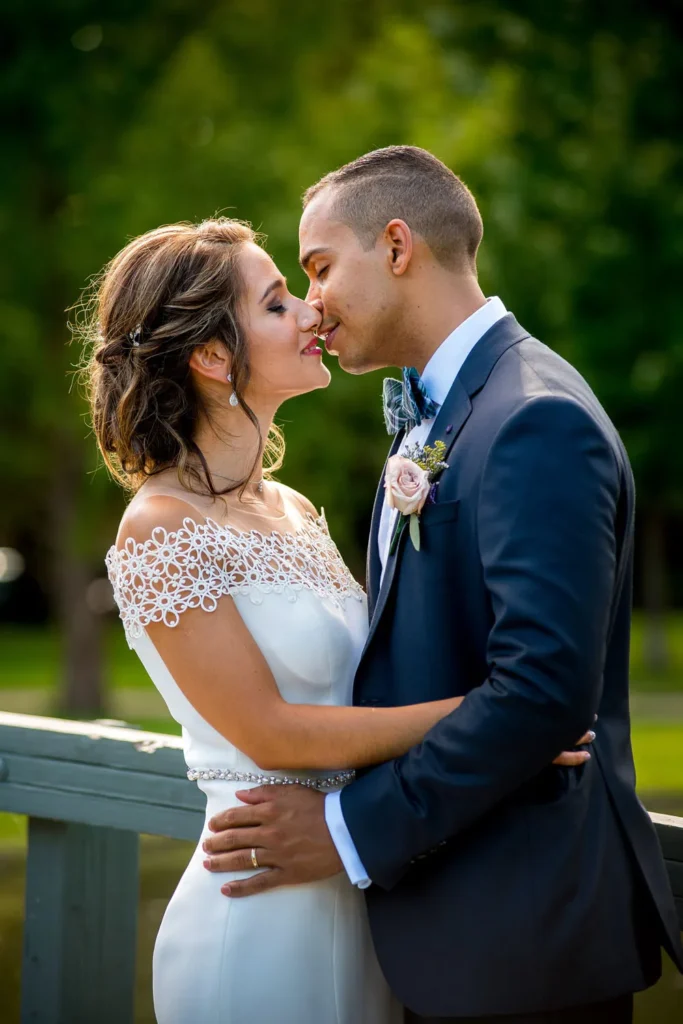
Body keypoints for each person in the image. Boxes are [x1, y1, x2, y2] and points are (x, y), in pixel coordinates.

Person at [202, 148, 683, 1024]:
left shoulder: (533, 417)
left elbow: (541, 692)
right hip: (442, 925)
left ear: (396, 246)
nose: (311, 305)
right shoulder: (442, 411)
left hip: (521, 938)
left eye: (319, 267)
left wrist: (345, 833)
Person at [85, 217, 591, 1024]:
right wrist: (498, 721)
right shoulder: (160, 528)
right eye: (278, 302)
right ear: (214, 357)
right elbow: (274, 733)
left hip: (358, 887)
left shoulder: (288, 508)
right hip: (259, 905)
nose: (311, 312)